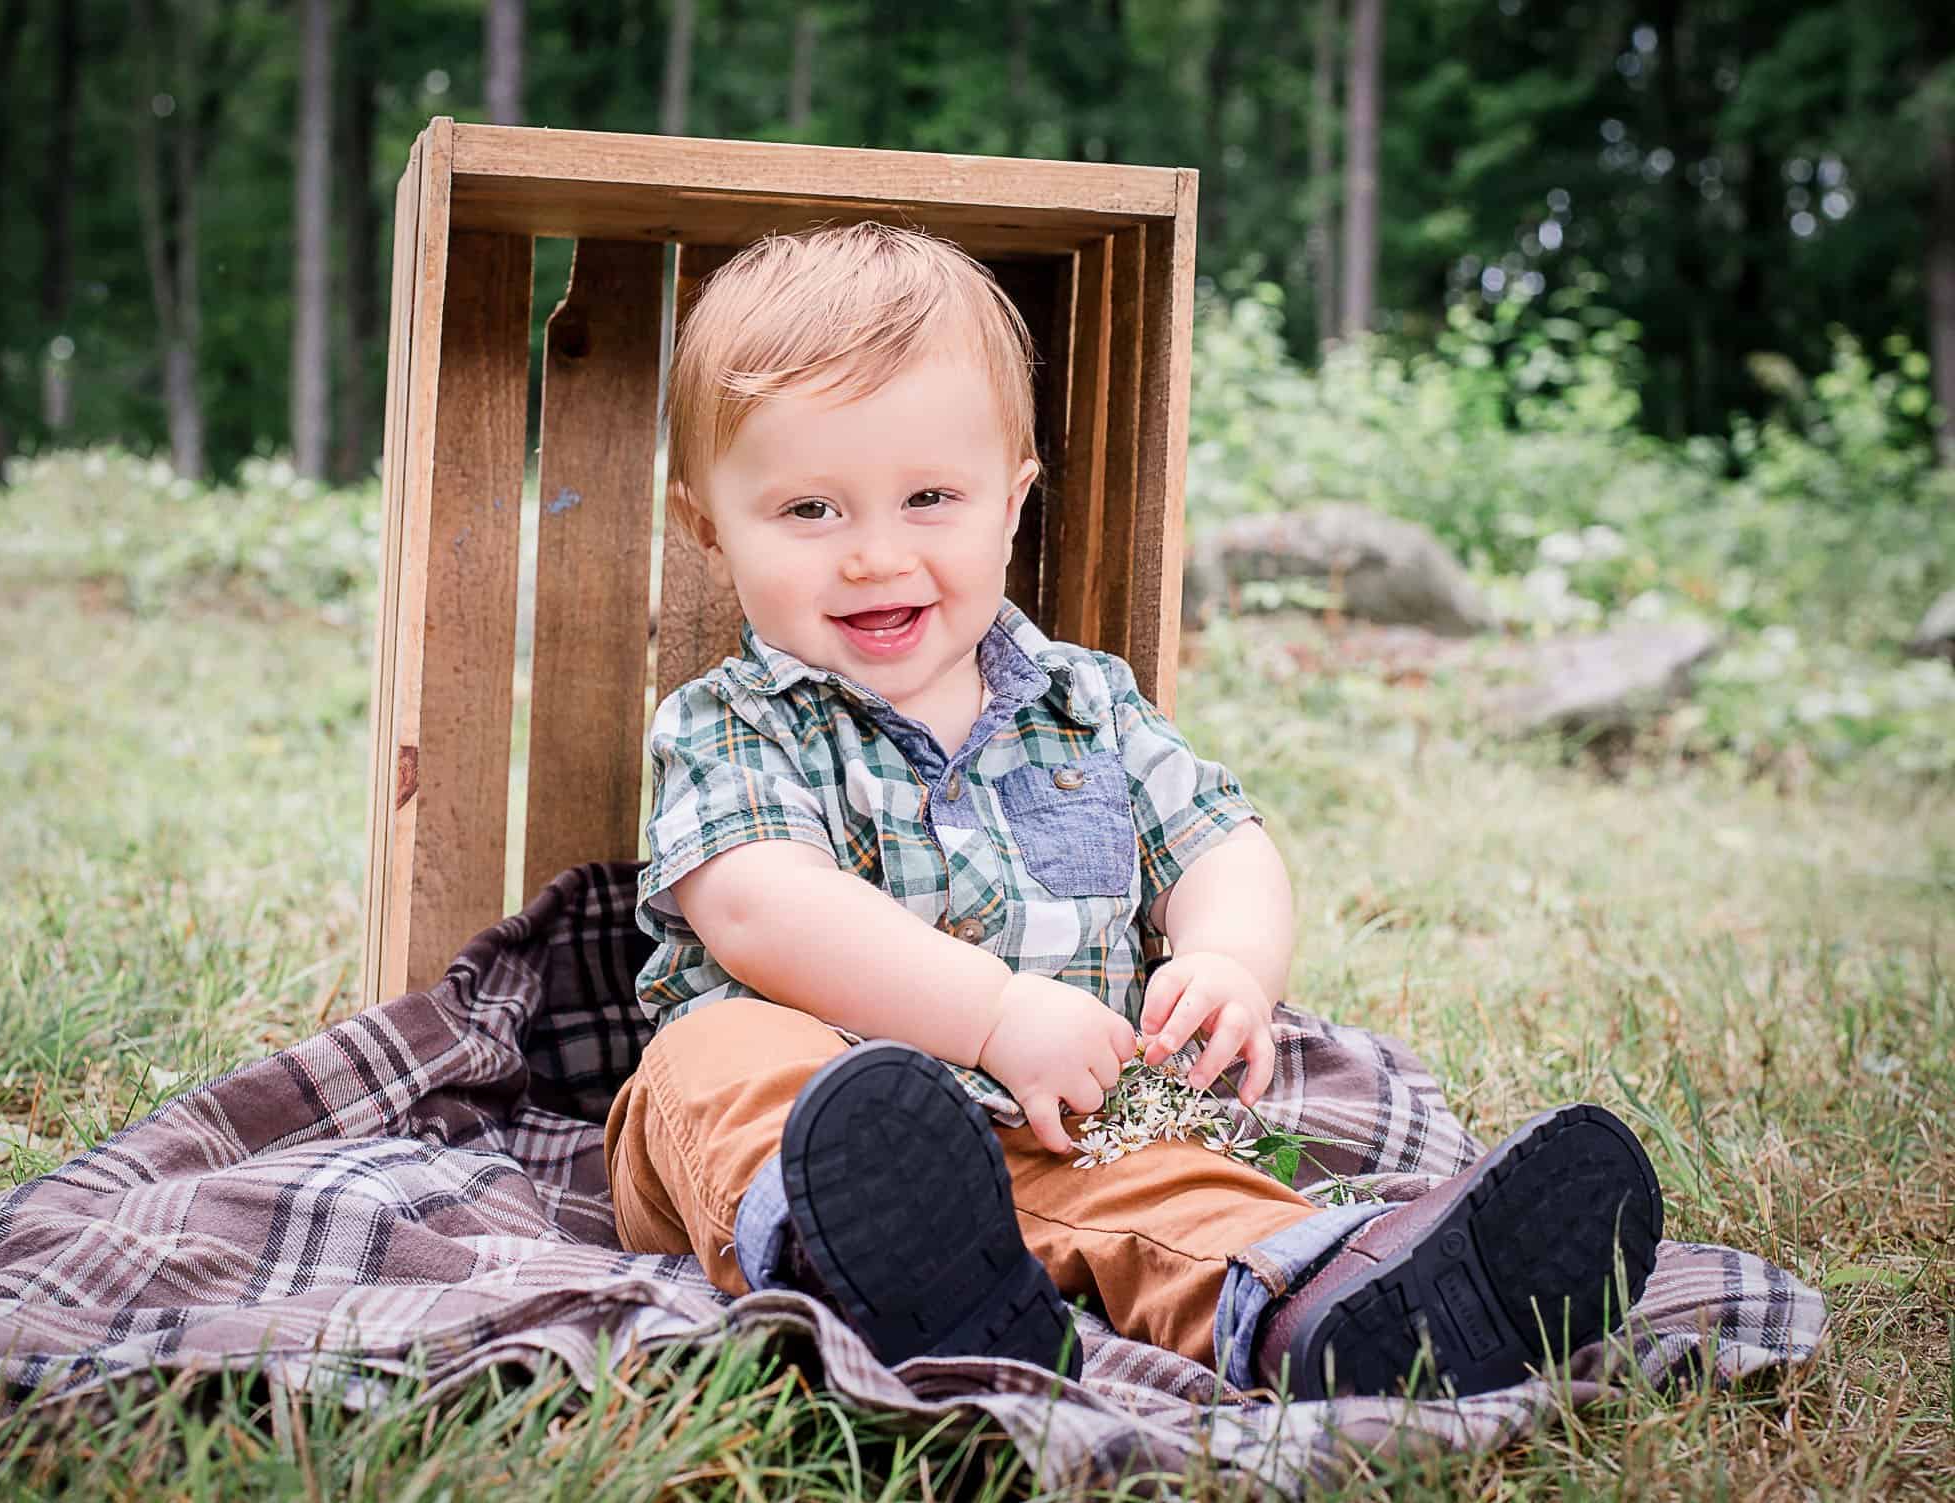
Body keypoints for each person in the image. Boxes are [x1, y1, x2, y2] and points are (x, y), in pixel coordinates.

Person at [602, 222, 1663, 1399]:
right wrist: (994, 1011)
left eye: (927, 498)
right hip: (800, 1127)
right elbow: (760, 909)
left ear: (1011, 503)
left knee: (1175, 1187)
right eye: (811, 511)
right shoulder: (732, 719)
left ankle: (1333, 1306)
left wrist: (1226, 964)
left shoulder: (1084, 704)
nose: (873, 554)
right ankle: (843, 1265)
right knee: (720, 1059)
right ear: (709, 526)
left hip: (1066, 1119)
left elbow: (1221, 842)